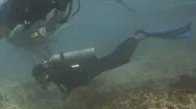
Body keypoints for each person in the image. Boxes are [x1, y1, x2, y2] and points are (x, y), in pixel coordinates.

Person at [32, 22, 192, 93]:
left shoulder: (54, 73)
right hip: (93, 69)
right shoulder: (54, 73)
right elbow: (74, 83)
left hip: (94, 67)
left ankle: (140, 35)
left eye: (40, 80)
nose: (41, 83)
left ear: (42, 74)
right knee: (119, 57)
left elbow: (74, 80)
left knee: (121, 58)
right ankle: (139, 36)